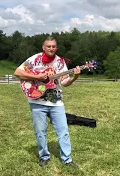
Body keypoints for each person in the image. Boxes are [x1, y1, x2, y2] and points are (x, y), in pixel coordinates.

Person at [14, 36, 80, 168]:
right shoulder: (34, 59)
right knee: (40, 131)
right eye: (48, 46)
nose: (51, 48)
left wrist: (75, 77)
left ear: (56, 48)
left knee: (63, 131)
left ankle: (67, 159)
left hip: (56, 103)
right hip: (37, 101)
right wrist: (37, 76)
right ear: (43, 47)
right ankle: (44, 157)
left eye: (53, 46)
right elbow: (17, 72)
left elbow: (64, 82)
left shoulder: (60, 62)